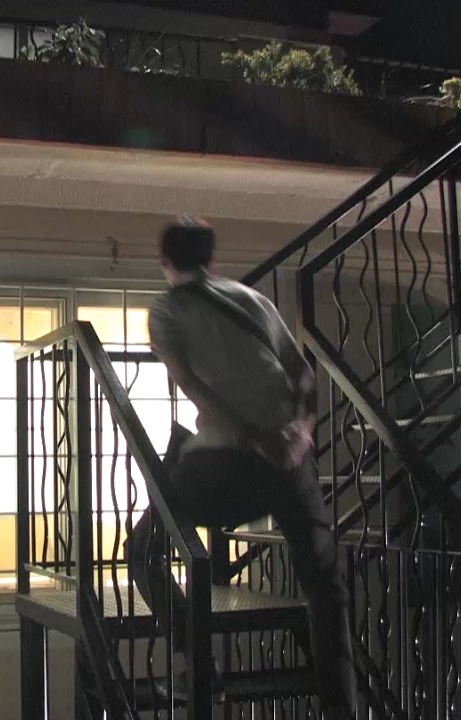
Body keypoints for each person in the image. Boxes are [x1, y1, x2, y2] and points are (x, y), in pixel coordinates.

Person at [124, 217, 355, 718]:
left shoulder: (166, 309)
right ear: (211, 258)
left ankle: (200, 670)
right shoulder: (253, 300)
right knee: (324, 586)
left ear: (165, 261)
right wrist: (300, 435)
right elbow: (305, 376)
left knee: (142, 550)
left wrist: (252, 437)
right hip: (291, 462)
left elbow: (191, 385)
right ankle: (341, 709)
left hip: (225, 464)